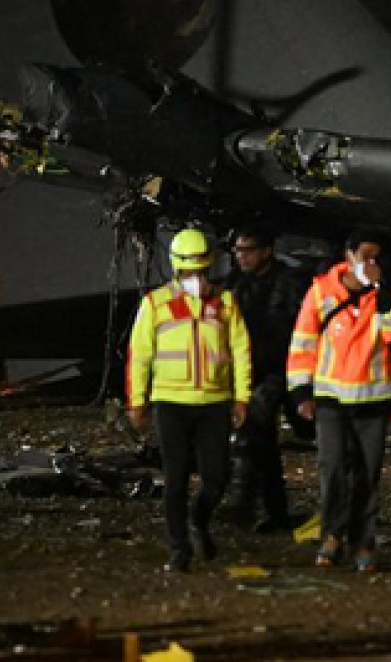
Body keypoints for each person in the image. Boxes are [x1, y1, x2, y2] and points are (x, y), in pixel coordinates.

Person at [287, 228, 391, 572]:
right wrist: (301, 392)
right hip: (330, 399)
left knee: (366, 476)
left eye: (377, 257)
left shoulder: (383, 297)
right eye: (366, 256)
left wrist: (383, 291)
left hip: (373, 400)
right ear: (348, 256)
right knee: (332, 470)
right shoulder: (321, 293)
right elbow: (302, 343)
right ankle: (332, 535)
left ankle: (362, 543)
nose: (371, 263)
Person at [127, 228, 250, 572]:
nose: (195, 277)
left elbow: (241, 351)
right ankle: (179, 549)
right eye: (189, 270)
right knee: (176, 479)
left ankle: (199, 521)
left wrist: (242, 398)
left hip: (214, 401)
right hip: (171, 402)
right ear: (178, 268)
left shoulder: (225, 303)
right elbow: (140, 356)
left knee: (217, 477)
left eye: (200, 269)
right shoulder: (155, 304)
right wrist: (138, 402)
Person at [224, 224, 309, 534]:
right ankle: (265, 509)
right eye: (237, 251)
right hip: (252, 369)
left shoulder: (289, 283)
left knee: (258, 432)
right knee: (257, 439)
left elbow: (301, 329)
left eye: (247, 251)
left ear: (266, 251)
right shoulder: (236, 284)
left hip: (283, 369)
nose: (241, 257)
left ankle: (250, 508)